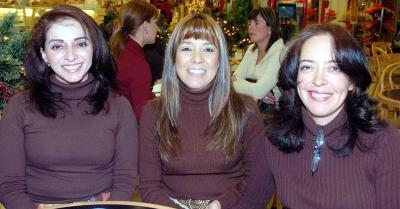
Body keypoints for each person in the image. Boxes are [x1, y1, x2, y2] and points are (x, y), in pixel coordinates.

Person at [0, 5, 138, 209]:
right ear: (44, 54)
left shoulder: (119, 107)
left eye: (80, 44)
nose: (71, 55)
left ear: (94, 47)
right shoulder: (19, 108)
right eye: (57, 46)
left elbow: (125, 181)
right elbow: (10, 186)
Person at [139, 14, 274, 209]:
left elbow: (258, 183)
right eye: (186, 49)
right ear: (173, 57)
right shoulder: (153, 113)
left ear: (220, 60)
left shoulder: (245, 111)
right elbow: (149, 188)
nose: (197, 59)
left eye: (208, 49)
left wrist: (222, 204)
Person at [265, 23, 400, 209]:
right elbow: (249, 199)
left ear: (352, 80)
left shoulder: (385, 144)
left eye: (334, 68)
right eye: (307, 67)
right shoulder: (274, 136)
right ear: (295, 77)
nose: (319, 80)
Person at [109, 0, 158, 121]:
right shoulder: (137, 64)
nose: (158, 29)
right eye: (155, 23)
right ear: (145, 26)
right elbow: (142, 115)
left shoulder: (122, 51)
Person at [232, 7, 285, 113]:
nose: (250, 28)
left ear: (270, 28)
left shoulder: (279, 53)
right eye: (250, 23)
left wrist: (258, 91)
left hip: (274, 117)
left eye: (256, 23)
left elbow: (257, 91)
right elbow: (235, 77)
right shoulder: (251, 49)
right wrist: (256, 90)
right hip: (252, 110)